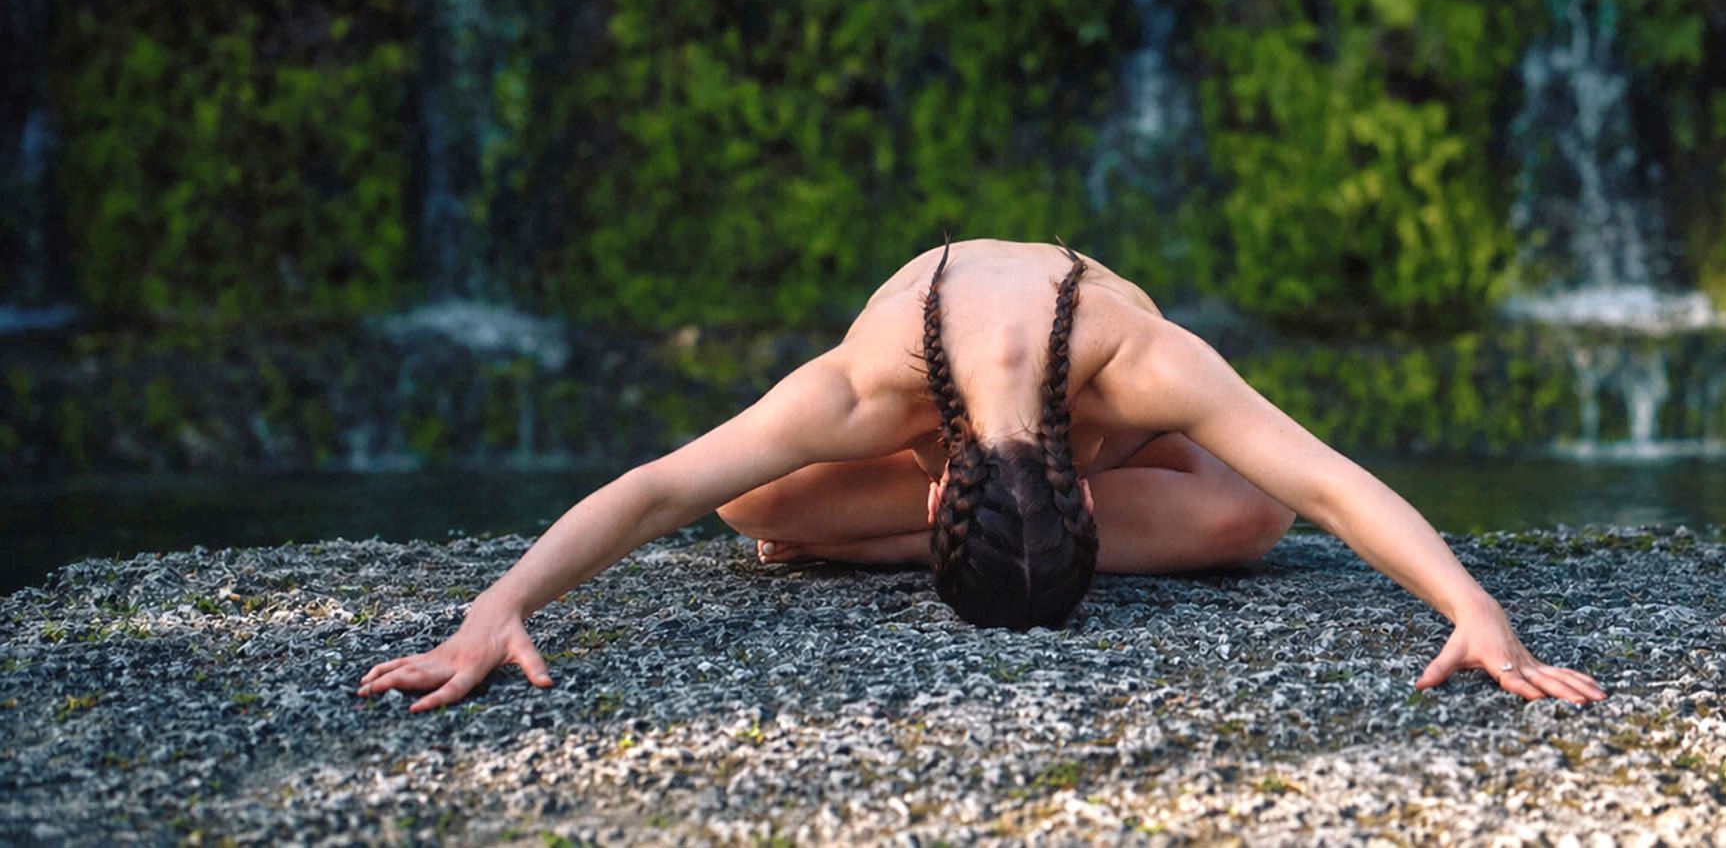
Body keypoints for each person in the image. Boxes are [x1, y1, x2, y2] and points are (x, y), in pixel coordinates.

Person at [359, 239, 1606, 712]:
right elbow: (661, 488)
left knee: (1254, 509)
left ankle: (859, 543)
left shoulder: (1140, 366)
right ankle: (858, 532)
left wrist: (1470, 607)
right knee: (744, 497)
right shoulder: (869, 384)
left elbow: (1322, 483)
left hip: (1090, 429)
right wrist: (497, 607)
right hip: (946, 414)